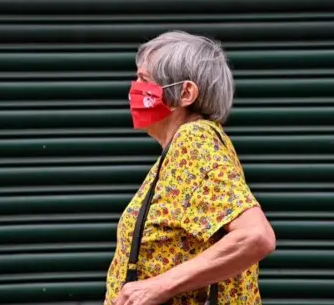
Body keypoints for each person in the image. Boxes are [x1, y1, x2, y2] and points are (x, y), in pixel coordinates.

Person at [104, 31, 276, 305]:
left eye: (143, 80)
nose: (133, 89)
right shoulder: (182, 149)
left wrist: (160, 285)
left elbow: (256, 236)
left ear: (185, 93)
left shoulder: (194, 140)